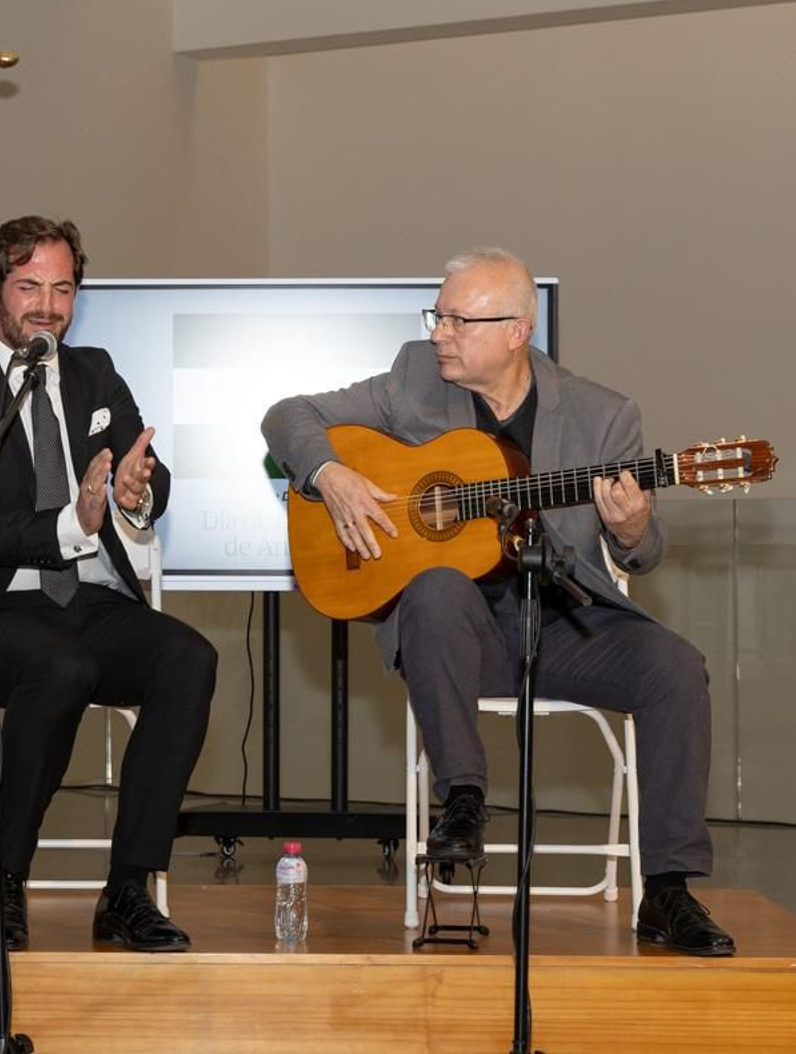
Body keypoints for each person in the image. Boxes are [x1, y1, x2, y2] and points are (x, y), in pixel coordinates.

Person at [261, 247, 735, 957]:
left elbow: (644, 553)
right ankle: (464, 800)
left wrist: (634, 528)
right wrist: (328, 473)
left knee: (676, 667)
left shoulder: (603, 415)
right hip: (455, 637)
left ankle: (667, 888)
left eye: (459, 320)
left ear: (518, 331)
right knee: (437, 585)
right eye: (438, 316)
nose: (439, 333)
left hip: (565, 621)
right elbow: (285, 416)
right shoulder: (415, 381)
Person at [0, 216, 216, 953]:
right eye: (29, 287)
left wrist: (137, 491)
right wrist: (73, 522)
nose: (48, 306)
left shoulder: (96, 373)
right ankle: (5, 883)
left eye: (63, 288)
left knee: (189, 658)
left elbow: (146, 471)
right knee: (61, 665)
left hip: (90, 597)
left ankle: (128, 891)